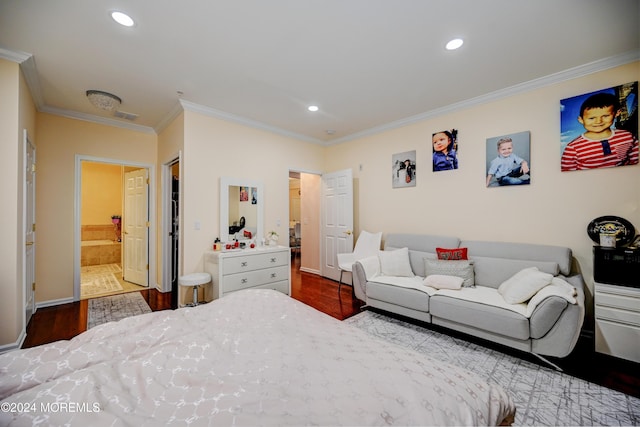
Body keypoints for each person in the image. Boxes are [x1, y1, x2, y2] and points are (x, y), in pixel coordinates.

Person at [561, 92, 638, 171]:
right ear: (581, 120)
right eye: (591, 118)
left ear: (617, 113)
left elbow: (635, 161)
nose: (598, 121)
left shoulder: (627, 136)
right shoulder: (572, 148)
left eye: (605, 116)